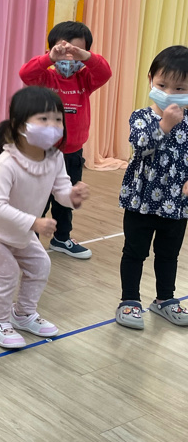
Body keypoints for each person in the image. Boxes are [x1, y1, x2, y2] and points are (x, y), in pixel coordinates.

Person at [0, 87, 90, 349]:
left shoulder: (55, 157)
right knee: (6, 273)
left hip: (18, 227)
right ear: (21, 125)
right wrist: (34, 223)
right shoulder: (7, 163)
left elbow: (61, 190)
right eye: (43, 119)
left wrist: (73, 197)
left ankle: (22, 314)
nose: (52, 126)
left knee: (40, 265)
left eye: (57, 119)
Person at [19, 20, 111, 259]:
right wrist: (50, 58)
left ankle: (62, 238)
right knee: (39, 200)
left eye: (76, 52)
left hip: (72, 154)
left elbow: (105, 72)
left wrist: (86, 57)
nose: (69, 58)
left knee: (67, 199)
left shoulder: (84, 79)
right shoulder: (46, 79)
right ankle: (31, 241)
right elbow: (25, 73)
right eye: (64, 50)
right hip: (43, 154)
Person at [116, 46, 188, 330]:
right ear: (150, 80)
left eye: (179, 88)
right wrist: (165, 125)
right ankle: (129, 300)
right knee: (135, 252)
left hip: (177, 203)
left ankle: (165, 299)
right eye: (162, 85)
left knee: (169, 254)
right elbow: (141, 146)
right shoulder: (141, 117)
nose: (169, 93)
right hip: (141, 200)